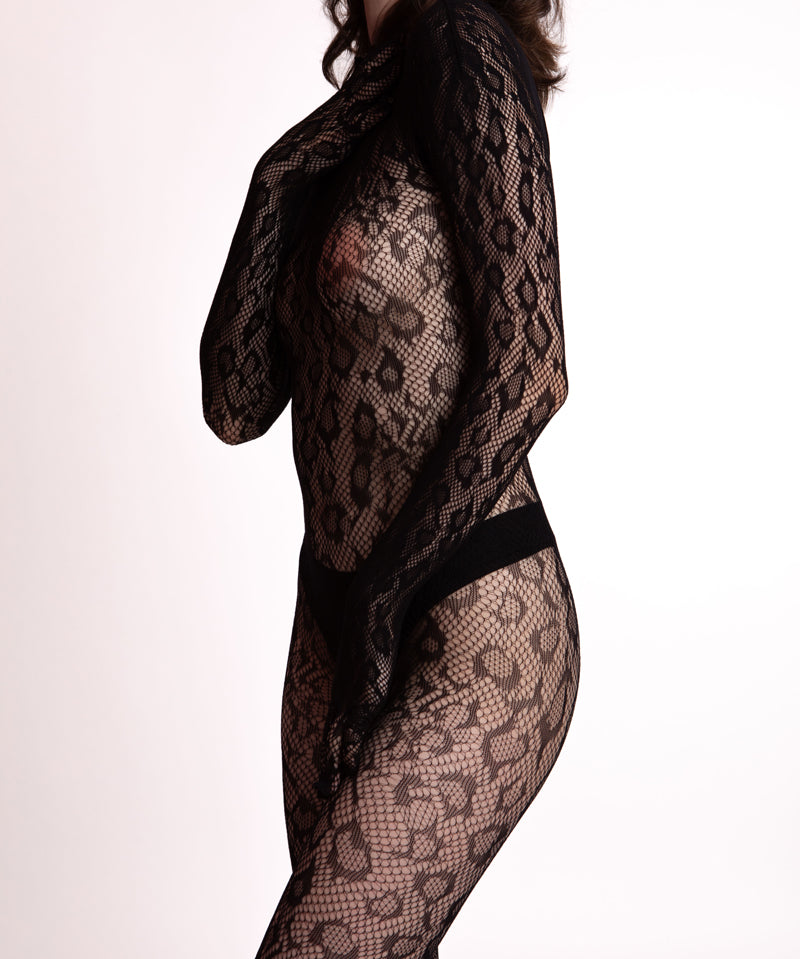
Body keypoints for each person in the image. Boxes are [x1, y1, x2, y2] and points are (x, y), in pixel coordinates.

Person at [199, 0, 580, 955]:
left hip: (474, 614)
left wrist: (382, 603)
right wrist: (275, 182)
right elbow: (236, 405)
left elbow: (533, 368)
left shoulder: (459, 41)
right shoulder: (352, 120)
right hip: (328, 627)